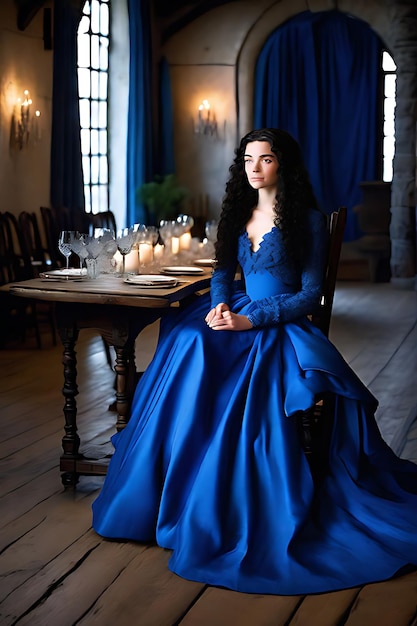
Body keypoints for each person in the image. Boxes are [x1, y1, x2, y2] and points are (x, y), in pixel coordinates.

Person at [92, 128, 417, 595]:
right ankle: (165, 481)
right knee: (189, 340)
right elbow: (222, 273)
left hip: (278, 322)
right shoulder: (237, 214)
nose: (254, 168)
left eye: (265, 159)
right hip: (238, 310)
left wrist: (252, 321)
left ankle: (216, 487)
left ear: (282, 164)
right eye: (247, 159)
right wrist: (219, 307)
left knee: (214, 354)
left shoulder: (306, 220)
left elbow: (310, 295)